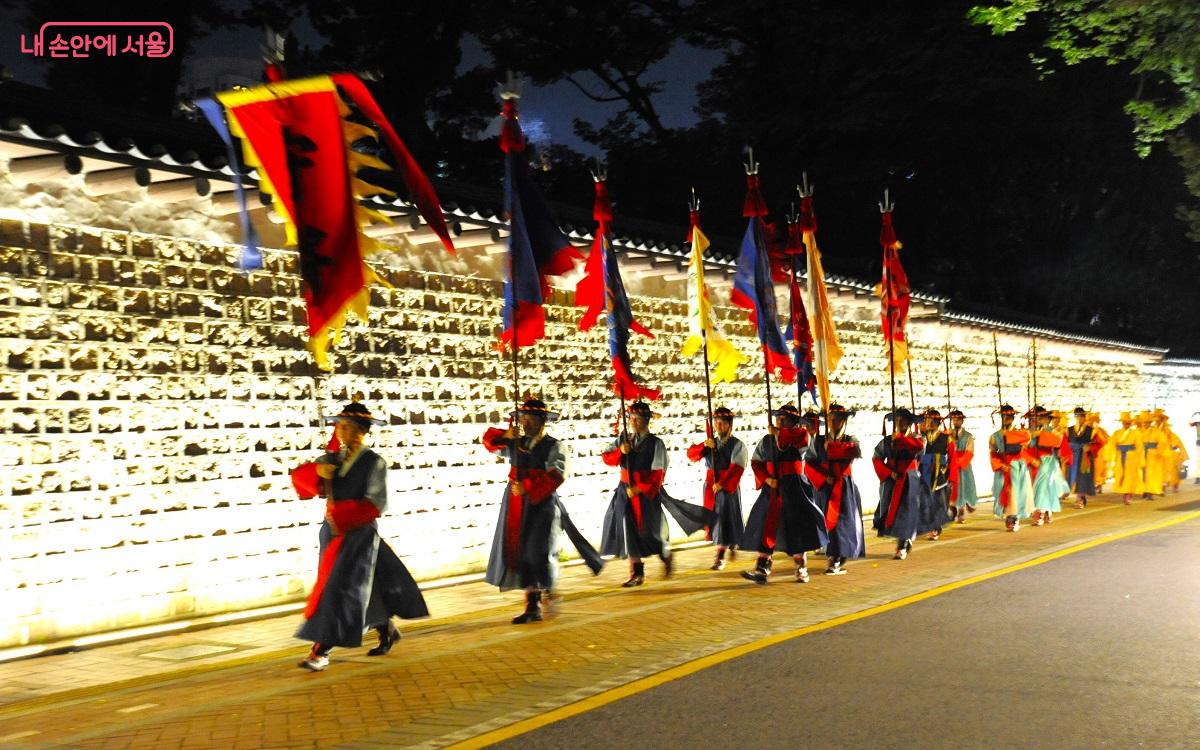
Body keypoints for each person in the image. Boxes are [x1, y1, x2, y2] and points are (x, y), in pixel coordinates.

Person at [289, 401, 429, 672]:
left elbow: (377, 502)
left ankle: (321, 650)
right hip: (331, 533)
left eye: (348, 427)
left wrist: (345, 516)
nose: (341, 431)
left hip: (358, 533)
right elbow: (306, 481)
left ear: (361, 431)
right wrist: (318, 473)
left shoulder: (374, 462)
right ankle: (385, 628)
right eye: (340, 426)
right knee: (355, 585)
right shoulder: (332, 459)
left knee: (339, 589)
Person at [482, 398, 604, 624]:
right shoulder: (515, 444)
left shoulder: (554, 446)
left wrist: (527, 486)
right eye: (523, 418)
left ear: (542, 421)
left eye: (530, 419)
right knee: (520, 551)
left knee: (537, 551)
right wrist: (506, 436)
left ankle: (545, 592)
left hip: (542, 505)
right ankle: (532, 604)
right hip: (517, 504)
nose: (525, 423)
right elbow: (489, 442)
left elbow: (557, 475)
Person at [600, 402, 715, 587]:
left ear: (646, 421)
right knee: (628, 530)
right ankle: (636, 572)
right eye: (632, 418)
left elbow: (658, 473)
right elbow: (606, 457)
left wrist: (640, 488)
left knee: (650, 531)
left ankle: (665, 554)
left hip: (645, 493)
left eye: (638, 419)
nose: (634, 422)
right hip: (625, 492)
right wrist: (620, 452)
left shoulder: (656, 444)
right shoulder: (623, 439)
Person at [741, 403, 828, 583]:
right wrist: (766, 479)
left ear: (793, 421)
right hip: (771, 487)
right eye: (778, 418)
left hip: (794, 488)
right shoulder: (767, 440)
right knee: (766, 523)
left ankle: (801, 566)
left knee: (796, 527)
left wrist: (779, 434)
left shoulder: (801, 436)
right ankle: (762, 568)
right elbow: (756, 462)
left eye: (784, 419)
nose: (779, 422)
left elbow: (798, 443)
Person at [803, 404, 866, 574]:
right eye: (830, 419)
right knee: (826, 521)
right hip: (825, 487)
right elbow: (808, 463)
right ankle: (832, 555)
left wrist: (831, 448)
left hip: (843, 486)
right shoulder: (818, 441)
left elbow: (854, 452)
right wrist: (823, 477)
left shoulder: (850, 439)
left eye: (836, 420)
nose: (832, 423)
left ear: (844, 421)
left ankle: (838, 556)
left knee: (843, 523)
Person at [686, 407, 748, 570]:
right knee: (715, 519)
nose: (719, 426)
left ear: (729, 425)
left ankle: (720, 556)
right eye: (716, 423)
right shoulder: (709, 442)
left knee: (725, 517)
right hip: (710, 487)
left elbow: (737, 467)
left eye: (722, 424)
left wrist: (722, 484)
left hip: (727, 485)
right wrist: (703, 445)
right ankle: (728, 544)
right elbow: (691, 456)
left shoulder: (737, 445)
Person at [872, 408, 936, 558]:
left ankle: (903, 543)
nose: (899, 423)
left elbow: (919, 448)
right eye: (897, 420)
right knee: (891, 510)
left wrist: (901, 440)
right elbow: (876, 458)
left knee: (907, 511)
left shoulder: (918, 438)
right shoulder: (887, 441)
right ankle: (902, 539)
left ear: (909, 423)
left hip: (910, 479)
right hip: (892, 480)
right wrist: (888, 472)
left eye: (903, 420)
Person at [989, 404, 1034, 532]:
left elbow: (1025, 444)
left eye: (1009, 416)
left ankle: (1013, 517)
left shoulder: (1021, 433)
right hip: (1003, 467)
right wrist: (1000, 464)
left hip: (1017, 467)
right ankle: (1009, 515)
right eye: (1004, 416)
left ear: (1013, 418)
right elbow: (993, 453)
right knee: (1004, 492)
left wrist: (1009, 436)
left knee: (1016, 493)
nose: (1006, 419)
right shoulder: (994, 436)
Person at [917, 408, 955, 540]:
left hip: (940, 473)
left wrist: (952, 476)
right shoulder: (922, 437)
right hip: (924, 471)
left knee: (939, 501)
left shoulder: (946, 438)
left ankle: (936, 527)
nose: (929, 423)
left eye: (932, 421)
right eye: (927, 420)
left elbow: (952, 457)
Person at [1028, 409, 1071, 525]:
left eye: (1043, 418)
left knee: (1043, 487)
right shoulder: (1029, 431)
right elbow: (1023, 446)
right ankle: (1046, 510)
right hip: (1033, 463)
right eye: (1036, 418)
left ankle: (1040, 511)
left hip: (1046, 462)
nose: (1039, 420)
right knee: (1035, 488)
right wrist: (1030, 459)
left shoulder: (1052, 431)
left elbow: (1057, 442)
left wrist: (1041, 435)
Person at [1066, 407, 1104, 508]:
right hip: (1073, 457)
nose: (1079, 418)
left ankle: (1080, 498)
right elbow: (1065, 444)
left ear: (1084, 417)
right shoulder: (1069, 430)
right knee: (1073, 477)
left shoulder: (1091, 431)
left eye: (1081, 416)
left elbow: (1100, 442)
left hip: (1084, 458)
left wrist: (1090, 447)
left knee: (1082, 478)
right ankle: (1079, 496)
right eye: (1077, 416)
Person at [948, 409, 978, 522]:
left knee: (965, 487)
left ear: (962, 421)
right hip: (951, 465)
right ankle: (953, 508)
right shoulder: (947, 434)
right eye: (954, 420)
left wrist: (960, 462)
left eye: (958, 420)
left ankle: (962, 508)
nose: (955, 422)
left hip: (963, 467)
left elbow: (970, 452)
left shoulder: (968, 436)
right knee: (952, 488)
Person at [1109, 411, 1144, 504]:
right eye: (1124, 423)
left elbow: (1139, 446)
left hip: (1131, 457)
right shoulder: (1117, 433)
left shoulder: (1135, 433)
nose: (1126, 425)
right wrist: (1111, 456)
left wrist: (1141, 459)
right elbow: (1111, 444)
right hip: (1120, 456)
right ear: (1122, 423)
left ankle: (1128, 495)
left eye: (1128, 423)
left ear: (1131, 424)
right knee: (1121, 475)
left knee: (1130, 476)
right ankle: (1124, 493)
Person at [1135, 411, 1167, 499]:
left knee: (1151, 474)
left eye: (1147, 422)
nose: (1145, 424)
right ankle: (1143, 490)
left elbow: (1162, 442)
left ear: (1150, 423)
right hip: (1141, 454)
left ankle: (1150, 492)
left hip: (1153, 455)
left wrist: (1158, 451)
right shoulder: (1137, 431)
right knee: (1141, 473)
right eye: (1143, 422)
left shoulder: (1156, 431)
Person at [1155, 410, 1188, 493]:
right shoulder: (1155, 430)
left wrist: (1179, 451)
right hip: (1160, 453)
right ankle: (1162, 487)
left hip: (1169, 452)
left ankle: (1174, 485)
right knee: (1162, 471)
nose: (1157, 421)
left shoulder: (1166, 430)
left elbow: (1175, 440)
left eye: (1159, 419)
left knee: (1173, 471)